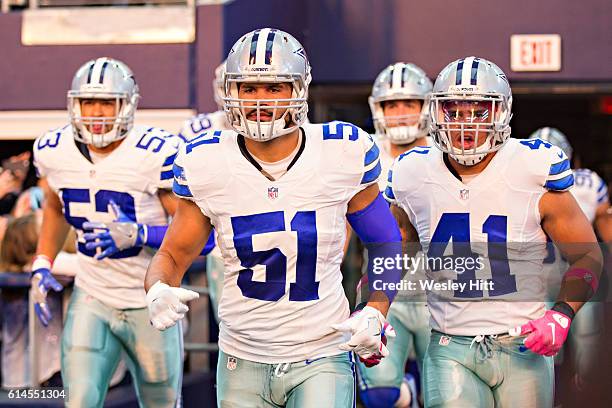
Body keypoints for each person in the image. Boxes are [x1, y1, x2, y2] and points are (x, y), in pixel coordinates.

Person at [144, 28, 402, 407]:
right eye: (248, 88)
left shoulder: (340, 152)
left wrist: (376, 309)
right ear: (231, 92)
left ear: (298, 89)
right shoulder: (206, 162)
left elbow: (386, 243)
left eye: (274, 87)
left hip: (321, 352)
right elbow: (172, 256)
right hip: (241, 357)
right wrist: (157, 288)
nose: (260, 99)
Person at [386, 56, 602, 407]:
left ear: (501, 113)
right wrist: (372, 310)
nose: (464, 123)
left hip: (522, 341)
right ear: (436, 114)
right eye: (453, 111)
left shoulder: (532, 168)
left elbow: (587, 254)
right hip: (448, 344)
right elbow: (389, 254)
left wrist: (561, 313)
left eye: (479, 111)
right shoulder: (412, 172)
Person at [31, 57, 185, 407]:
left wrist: (139, 234)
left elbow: (193, 233)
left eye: (107, 102)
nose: (97, 113)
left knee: (160, 403)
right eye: (88, 102)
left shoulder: (156, 152)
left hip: (150, 300)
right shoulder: (53, 150)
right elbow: (54, 205)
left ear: (127, 106)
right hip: (93, 295)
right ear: (74, 105)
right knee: (79, 400)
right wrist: (43, 261)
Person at [357, 62, 433, 408]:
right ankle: (409, 393)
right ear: (379, 110)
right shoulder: (362, 153)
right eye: (391, 105)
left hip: (441, 291)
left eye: (409, 104)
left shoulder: (448, 152)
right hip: (386, 290)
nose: (400, 114)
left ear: (426, 107)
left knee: (446, 396)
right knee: (379, 395)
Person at [528, 127, 609, 390]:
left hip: (560, 276)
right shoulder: (588, 183)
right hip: (547, 279)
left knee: (576, 343)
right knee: (551, 347)